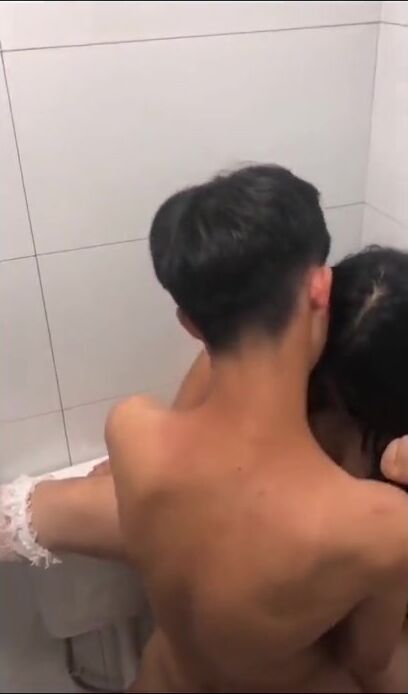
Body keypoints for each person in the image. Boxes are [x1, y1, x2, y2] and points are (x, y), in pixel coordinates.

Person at [1, 167, 408, 693]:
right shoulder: (380, 525)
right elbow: (367, 661)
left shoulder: (133, 430)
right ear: (320, 287)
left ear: (189, 324)